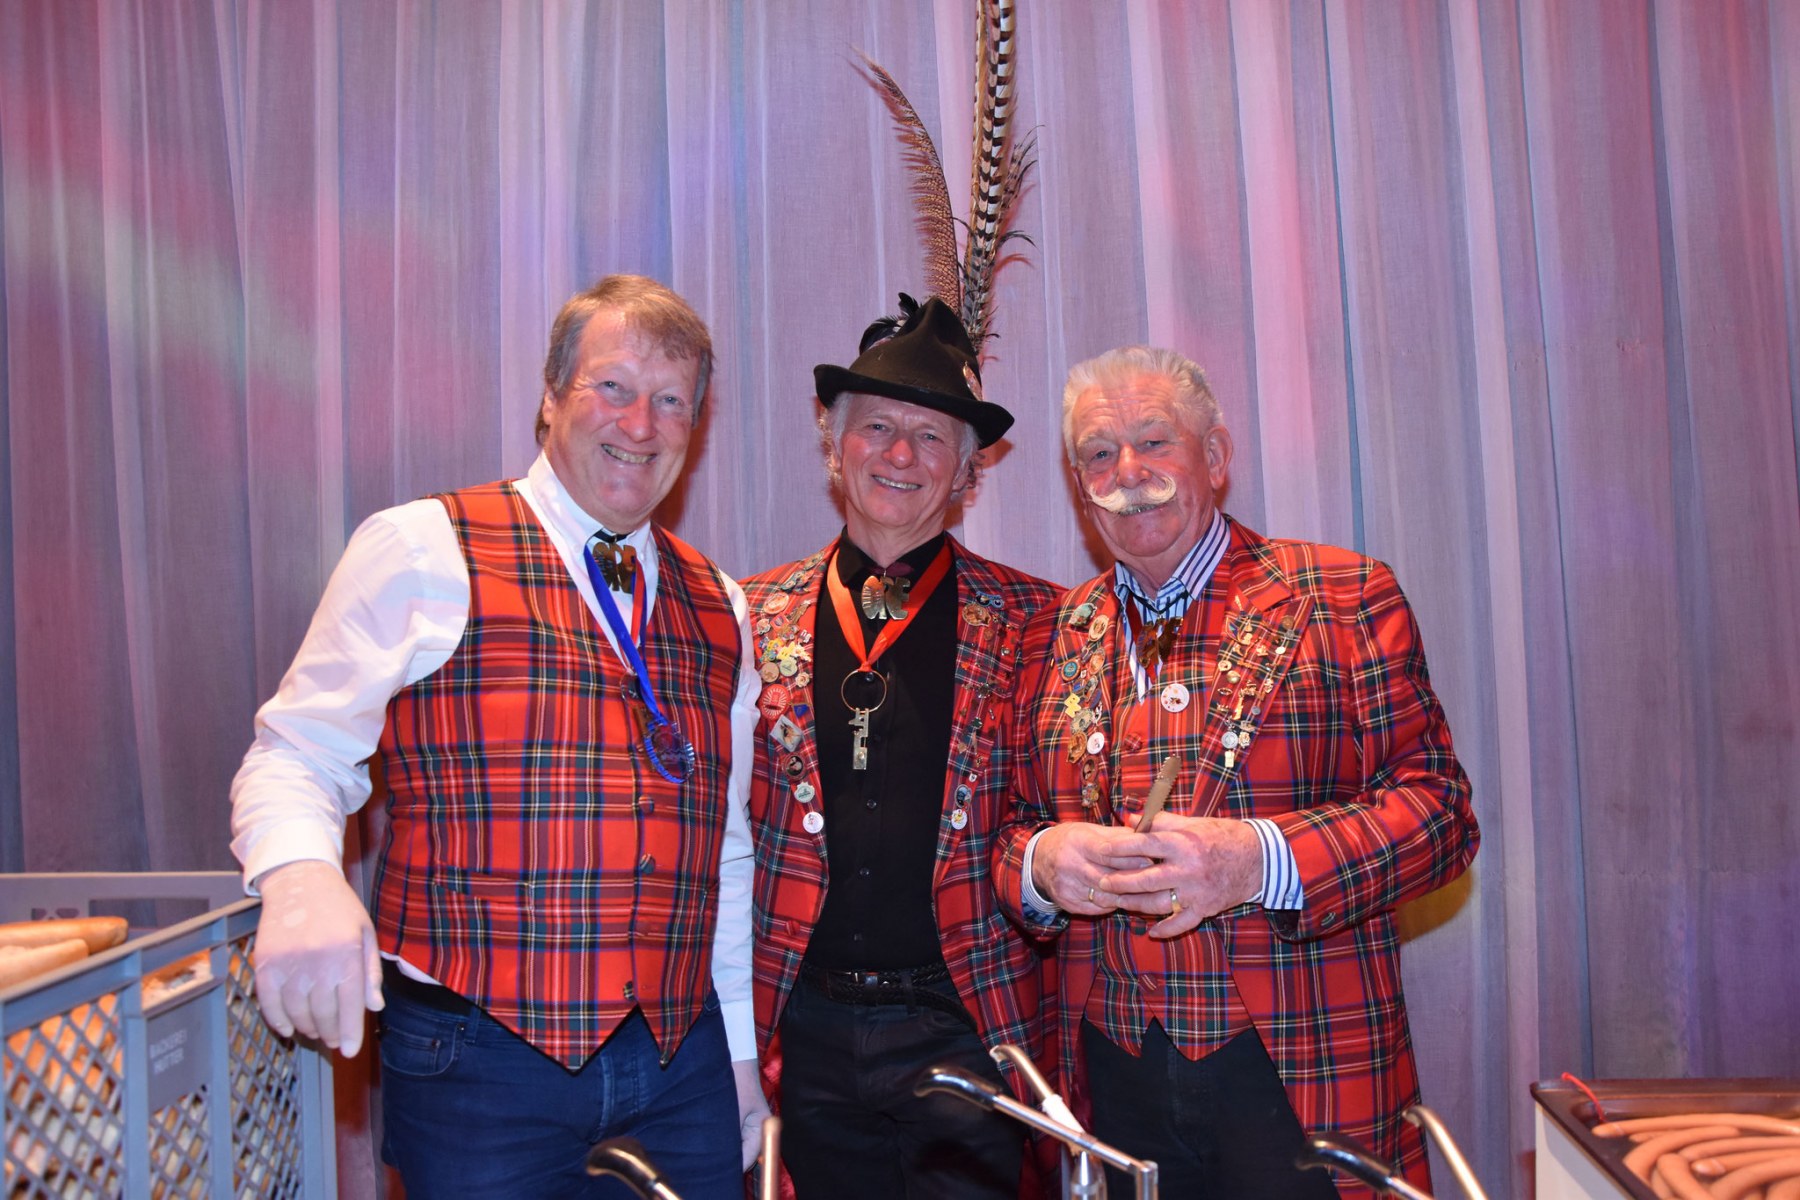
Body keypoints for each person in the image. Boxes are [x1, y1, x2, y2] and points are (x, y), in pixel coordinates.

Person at [229, 275, 768, 1198]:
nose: (641, 423)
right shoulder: (421, 548)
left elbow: (723, 849)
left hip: (682, 1066)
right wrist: (301, 877)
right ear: (550, 398)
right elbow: (296, 754)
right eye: (612, 386)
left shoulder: (723, 604)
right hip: (479, 1063)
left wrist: (741, 1057)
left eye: (672, 401)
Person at [993, 345, 1479, 1198]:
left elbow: (1441, 816)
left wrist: (1259, 860)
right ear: (1078, 485)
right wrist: (1040, 864)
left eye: (1155, 441)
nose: (1127, 472)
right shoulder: (1047, 634)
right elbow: (1009, 833)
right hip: (1111, 1081)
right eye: (1099, 453)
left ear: (1214, 457)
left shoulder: (1344, 596)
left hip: (1304, 1071)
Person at [741, 295, 1059, 1198]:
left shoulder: (1041, 621)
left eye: (930, 438)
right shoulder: (746, 612)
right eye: (877, 427)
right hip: (799, 1025)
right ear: (834, 445)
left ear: (967, 473)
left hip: (966, 1021)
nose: (901, 455)